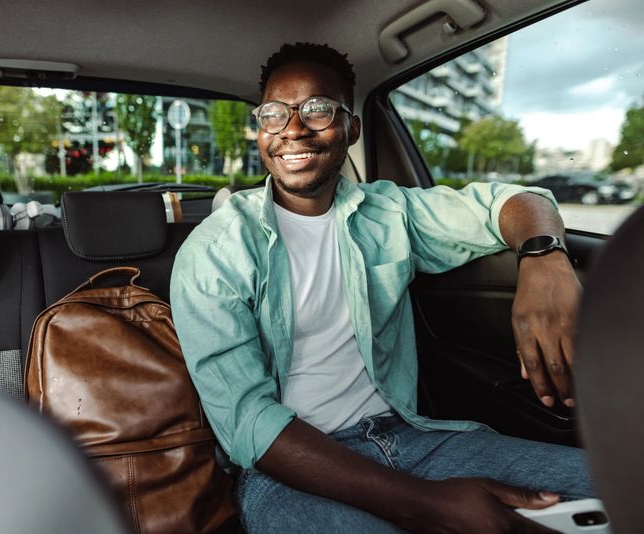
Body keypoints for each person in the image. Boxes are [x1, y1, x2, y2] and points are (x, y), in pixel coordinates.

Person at [170, 42, 593, 533]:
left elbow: (513, 201)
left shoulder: (390, 212)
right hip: (288, 470)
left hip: (414, 437)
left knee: (619, 484)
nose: (292, 129)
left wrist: (544, 260)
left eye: (317, 109)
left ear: (351, 128)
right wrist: (425, 504)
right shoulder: (216, 251)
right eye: (274, 113)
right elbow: (248, 423)